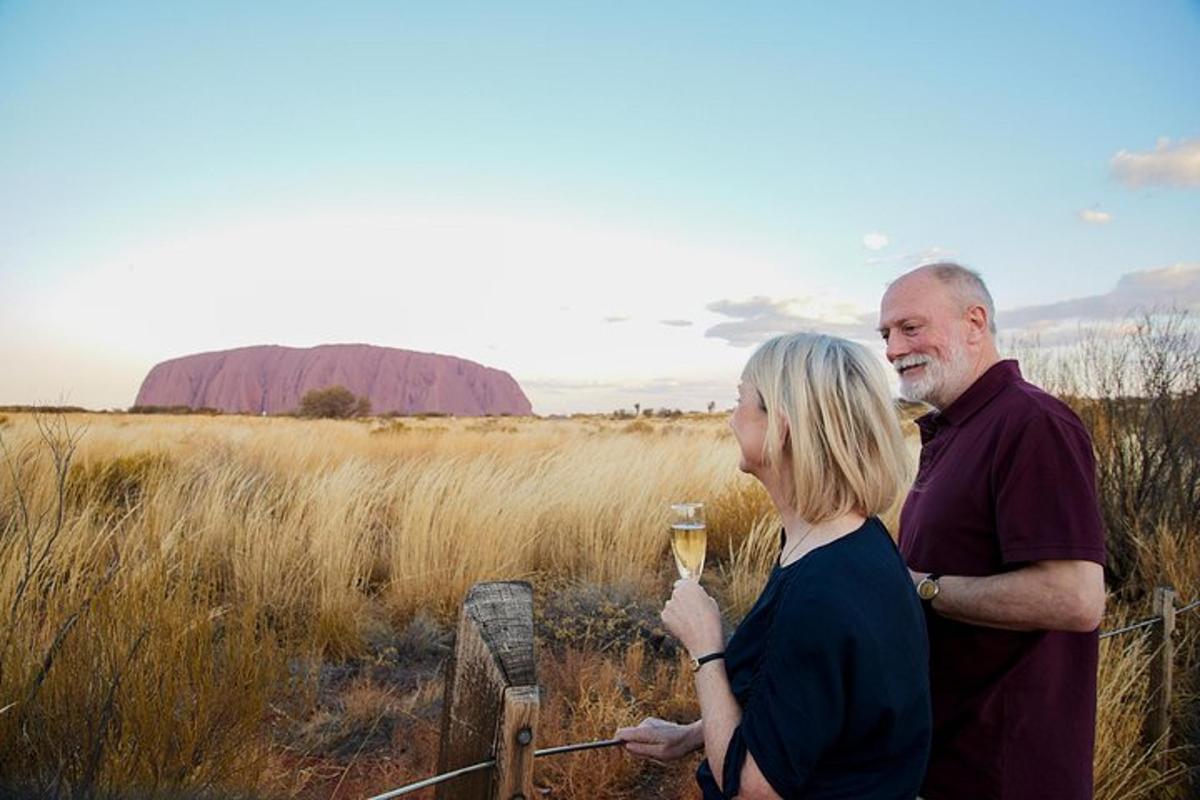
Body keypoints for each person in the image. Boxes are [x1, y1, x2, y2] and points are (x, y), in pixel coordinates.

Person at [616, 333, 932, 799]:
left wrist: (706, 650)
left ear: (782, 426)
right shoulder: (847, 542)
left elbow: (750, 789)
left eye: (740, 400)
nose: (729, 420)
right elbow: (806, 710)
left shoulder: (822, 588)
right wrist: (693, 734)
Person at [877, 262, 1107, 800]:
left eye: (910, 328)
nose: (891, 348)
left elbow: (1075, 597)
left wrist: (922, 588)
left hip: (1008, 771)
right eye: (885, 334)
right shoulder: (960, 427)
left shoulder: (1032, 423)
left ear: (975, 323)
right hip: (950, 757)